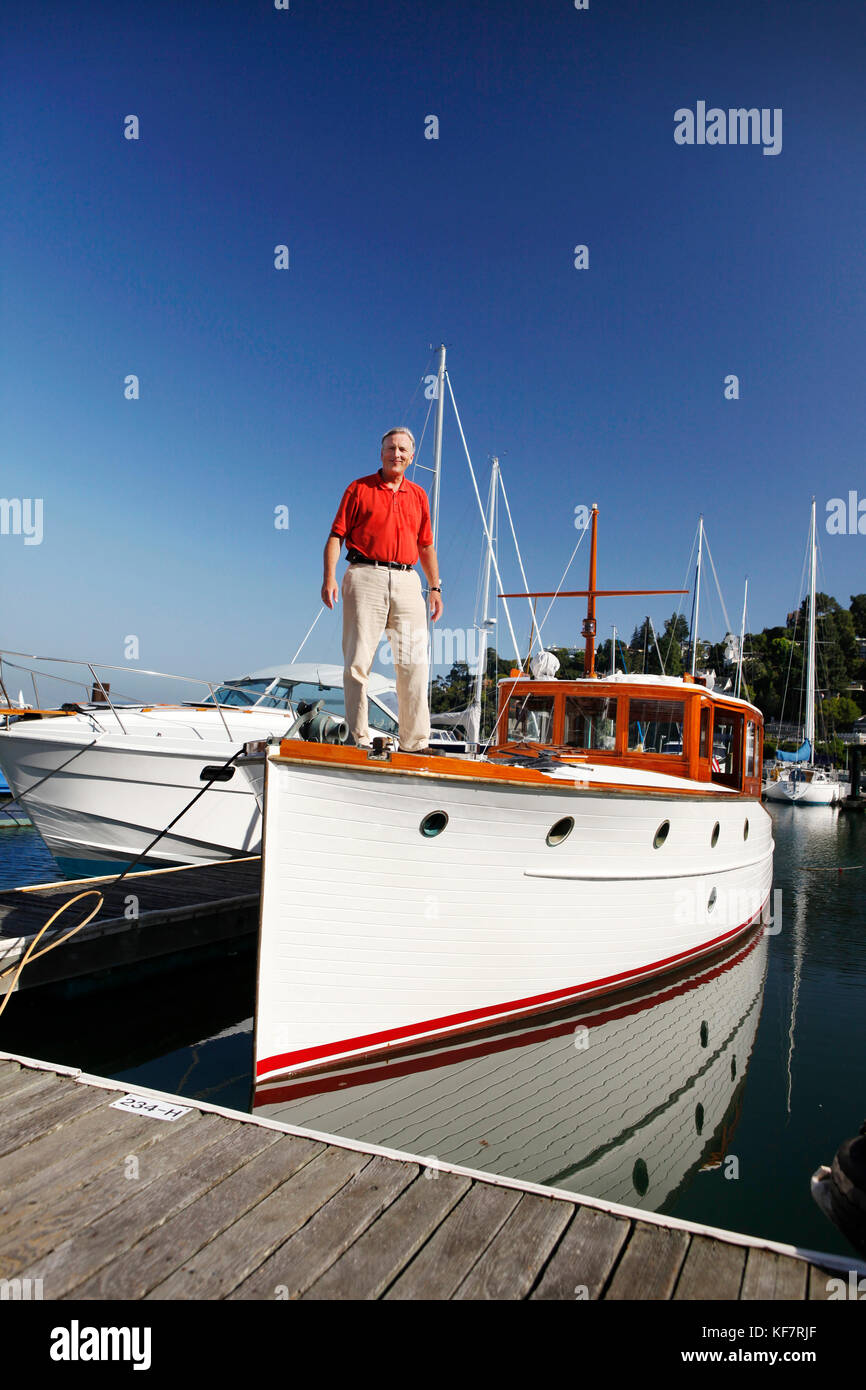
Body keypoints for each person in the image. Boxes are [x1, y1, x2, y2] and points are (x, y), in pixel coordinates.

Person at [321, 427, 443, 752]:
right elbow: (336, 536)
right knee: (358, 662)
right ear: (381, 452)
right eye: (391, 448)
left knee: (414, 662)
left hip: (407, 580)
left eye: (403, 449)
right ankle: (358, 738)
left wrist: (435, 587)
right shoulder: (358, 488)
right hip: (364, 575)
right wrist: (329, 577)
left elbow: (426, 545)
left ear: (411, 456)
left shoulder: (418, 495)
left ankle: (415, 743)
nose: (397, 454)